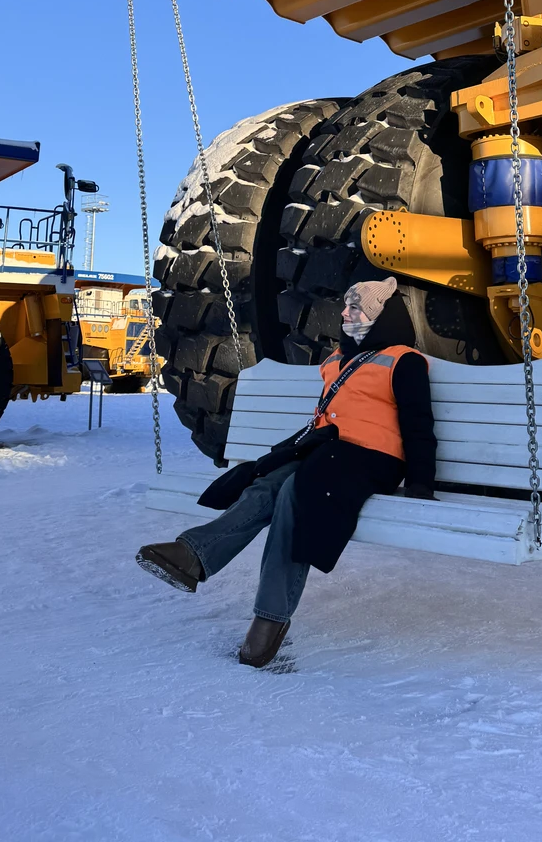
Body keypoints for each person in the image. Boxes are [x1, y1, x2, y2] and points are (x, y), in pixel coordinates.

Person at [136, 276, 437, 668]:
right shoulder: (336, 360)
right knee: (267, 484)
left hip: (373, 457)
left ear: (379, 316)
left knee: (299, 491)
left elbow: (418, 425)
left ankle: (269, 618)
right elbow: (326, 416)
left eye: (356, 307)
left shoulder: (403, 361)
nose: (345, 313)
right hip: (329, 451)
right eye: (346, 306)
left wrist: (420, 483)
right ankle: (195, 556)